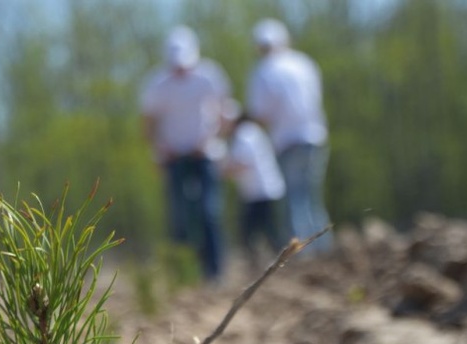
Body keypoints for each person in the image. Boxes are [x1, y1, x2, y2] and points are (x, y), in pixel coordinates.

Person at [140, 26, 232, 281]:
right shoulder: (157, 84)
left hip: (205, 154)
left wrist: (211, 139)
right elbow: (148, 124)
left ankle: (215, 273)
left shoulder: (210, 75)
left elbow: (226, 113)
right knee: (179, 216)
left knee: (209, 211)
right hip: (174, 158)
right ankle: (182, 274)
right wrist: (160, 148)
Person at [247, 18, 333, 254]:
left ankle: (303, 254)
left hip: (287, 141)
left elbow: (260, 114)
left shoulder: (263, 70)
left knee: (294, 200)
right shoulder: (304, 63)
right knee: (312, 198)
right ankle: (325, 250)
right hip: (316, 137)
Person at [221, 100, 286, 270]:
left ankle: (276, 265)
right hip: (259, 192)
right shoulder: (249, 132)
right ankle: (273, 264)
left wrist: (223, 170)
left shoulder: (245, 134)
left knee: (256, 233)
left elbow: (243, 163)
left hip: (261, 192)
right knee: (262, 232)